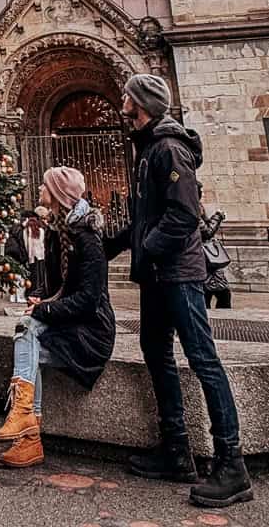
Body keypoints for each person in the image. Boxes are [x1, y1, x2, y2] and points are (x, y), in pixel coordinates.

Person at [105, 74, 252, 509]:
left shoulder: (169, 148)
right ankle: (176, 450)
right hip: (156, 274)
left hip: (179, 273)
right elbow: (146, 219)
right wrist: (107, 243)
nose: (122, 102)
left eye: (127, 96)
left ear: (142, 103)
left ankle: (232, 464)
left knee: (203, 359)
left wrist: (147, 249)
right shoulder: (148, 148)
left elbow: (183, 216)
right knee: (156, 351)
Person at [0, 166, 116, 469]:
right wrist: (43, 299)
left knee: (29, 328)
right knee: (28, 331)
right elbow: (58, 288)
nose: (38, 189)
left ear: (58, 193)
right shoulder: (56, 234)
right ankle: (28, 430)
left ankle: (26, 426)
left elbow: (88, 301)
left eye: (44, 185)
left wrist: (44, 308)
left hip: (89, 334)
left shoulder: (88, 238)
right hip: (71, 327)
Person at [199, 187, 232, 310]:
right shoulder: (192, 207)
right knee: (218, 294)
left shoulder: (197, 206)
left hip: (209, 259)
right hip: (204, 257)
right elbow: (206, 232)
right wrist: (218, 216)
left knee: (221, 293)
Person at [4, 208, 47, 298]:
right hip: (38, 257)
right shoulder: (40, 230)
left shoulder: (23, 230)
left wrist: (28, 257)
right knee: (38, 276)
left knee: (32, 276)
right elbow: (39, 245)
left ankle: (30, 292)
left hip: (28, 257)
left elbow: (28, 245)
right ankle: (35, 292)